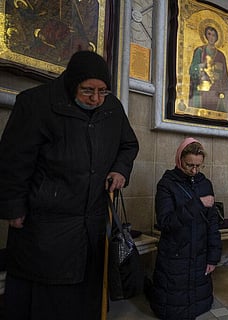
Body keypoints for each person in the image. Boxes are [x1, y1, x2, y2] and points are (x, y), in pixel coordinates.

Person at [0, 50, 139, 319]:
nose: (96, 99)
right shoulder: (36, 104)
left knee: (86, 294)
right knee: (45, 298)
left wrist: (120, 169)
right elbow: (12, 159)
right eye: (88, 90)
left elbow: (128, 144)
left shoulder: (112, 108)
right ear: (71, 82)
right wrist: (13, 207)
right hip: (46, 222)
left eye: (103, 92)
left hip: (94, 222)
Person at [150, 138, 222, 320]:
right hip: (175, 252)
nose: (194, 171)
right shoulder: (167, 184)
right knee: (172, 309)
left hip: (199, 252)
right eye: (189, 165)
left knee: (199, 306)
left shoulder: (205, 184)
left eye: (199, 166)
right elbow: (165, 222)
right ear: (179, 160)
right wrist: (197, 204)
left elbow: (213, 224)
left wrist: (213, 256)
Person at [189, 25, 228, 112]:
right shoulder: (200, 51)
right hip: (201, 90)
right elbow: (192, 69)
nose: (211, 37)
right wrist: (201, 66)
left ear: (217, 38)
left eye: (213, 35)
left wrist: (225, 93)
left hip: (216, 92)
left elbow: (224, 76)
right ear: (206, 35)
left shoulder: (221, 55)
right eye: (209, 34)